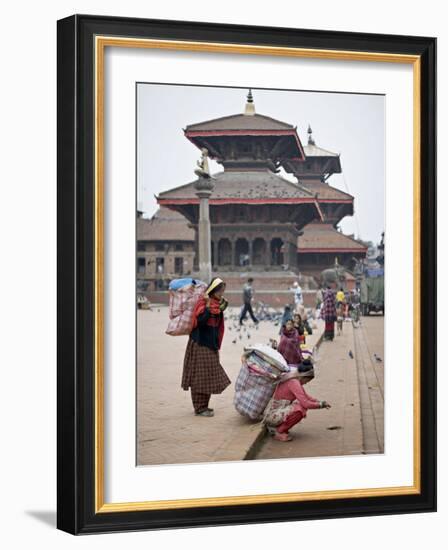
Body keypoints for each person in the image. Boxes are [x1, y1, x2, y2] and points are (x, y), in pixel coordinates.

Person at [181, 277, 231, 417]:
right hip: (200, 343)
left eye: (222, 290)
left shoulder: (216, 305)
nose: (222, 293)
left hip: (211, 345)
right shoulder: (204, 303)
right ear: (213, 290)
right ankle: (199, 408)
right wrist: (209, 308)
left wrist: (220, 309)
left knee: (208, 376)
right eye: (220, 291)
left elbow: (217, 325)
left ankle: (204, 406)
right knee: (199, 376)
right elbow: (200, 322)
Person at [264, 370, 331, 442]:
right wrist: (320, 405)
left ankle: (280, 429)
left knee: (300, 406)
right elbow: (306, 403)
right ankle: (278, 432)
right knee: (299, 409)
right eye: (307, 381)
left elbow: (306, 397)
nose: (305, 383)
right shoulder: (294, 383)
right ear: (303, 377)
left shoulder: (292, 380)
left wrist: (319, 402)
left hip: (274, 412)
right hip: (272, 415)